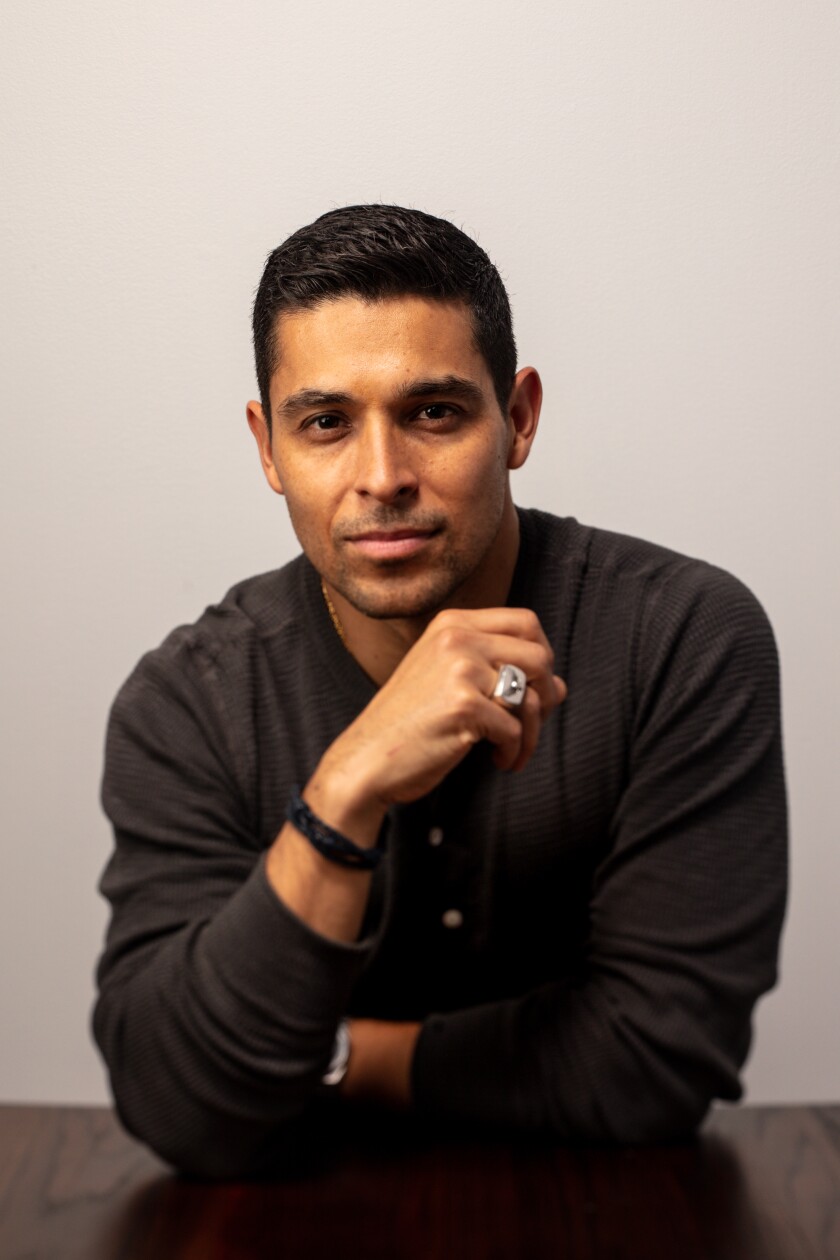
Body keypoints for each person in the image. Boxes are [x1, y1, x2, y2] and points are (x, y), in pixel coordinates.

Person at [94, 204, 787, 1179]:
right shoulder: (189, 701)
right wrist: (347, 790)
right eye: (326, 424)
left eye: (434, 413)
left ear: (519, 418)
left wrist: (334, 1056)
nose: (383, 477)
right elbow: (180, 1106)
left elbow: (658, 1064)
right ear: (267, 448)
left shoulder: (680, 637)